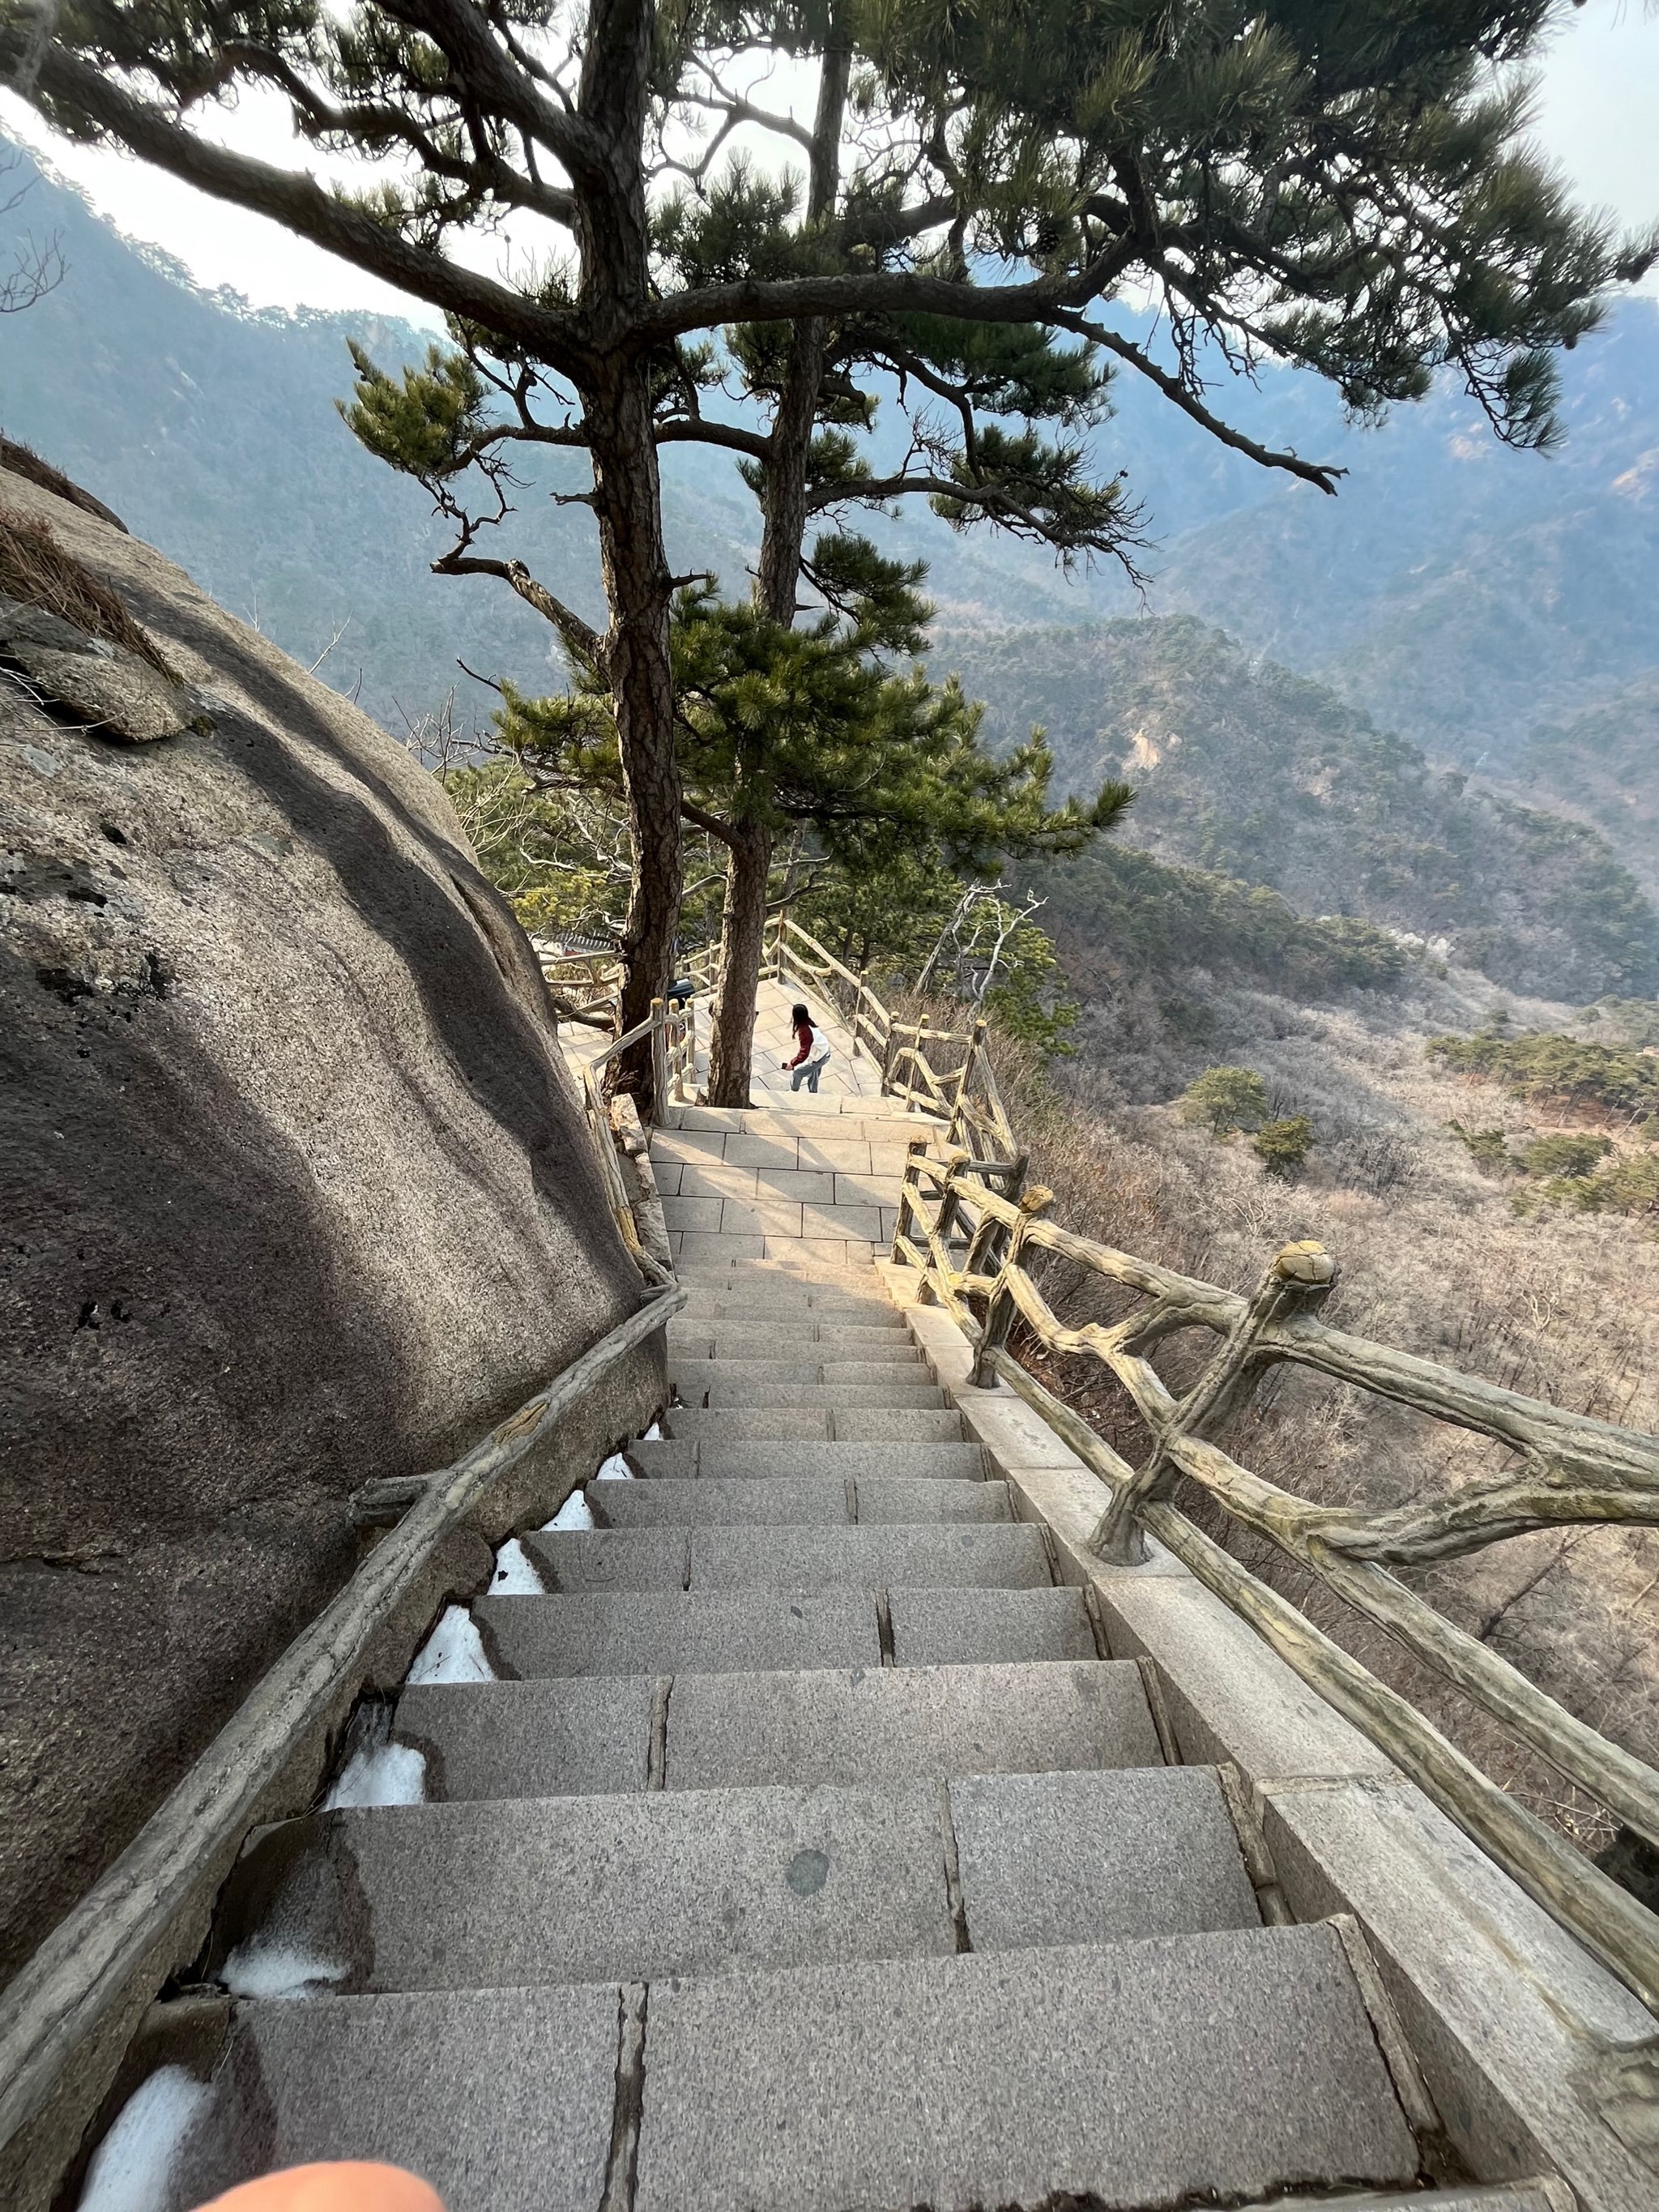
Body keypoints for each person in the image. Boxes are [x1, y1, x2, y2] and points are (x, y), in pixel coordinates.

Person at [783, 1001, 831, 1092]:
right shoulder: (809, 1023)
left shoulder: (805, 1031)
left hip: (819, 1057)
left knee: (797, 1073)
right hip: (823, 1053)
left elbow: (804, 1053)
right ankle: (813, 1092)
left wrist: (792, 1063)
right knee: (813, 1072)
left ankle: (793, 1092)